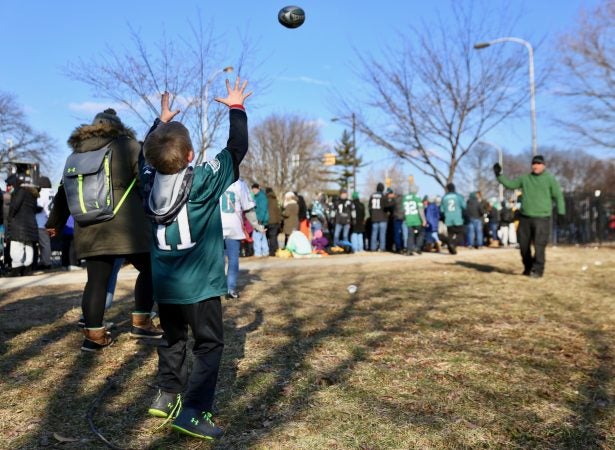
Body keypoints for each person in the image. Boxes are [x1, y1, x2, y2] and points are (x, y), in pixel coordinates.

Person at [140, 79, 251, 440]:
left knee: (173, 339)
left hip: (166, 285)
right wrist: (236, 107)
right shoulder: (202, 180)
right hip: (200, 285)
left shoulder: (146, 181)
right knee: (209, 345)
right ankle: (192, 410)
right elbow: (236, 149)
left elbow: (147, 157)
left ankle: (166, 392)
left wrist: (159, 125)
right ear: (190, 156)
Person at [47, 108, 162, 351]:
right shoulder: (128, 146)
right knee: (151, 268)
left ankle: (94, 337)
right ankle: (141, 322)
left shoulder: (75, 155)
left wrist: (54, 223)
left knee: (96, 281)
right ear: (117, 126)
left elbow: (62, 192)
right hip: (126, 227)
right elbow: (145, 182)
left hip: (89, 228)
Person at [494, 154, 565, 277]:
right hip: (525, 217)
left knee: (539, 245)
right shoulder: (525, 179)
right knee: (523, 245)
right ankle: (528, 267)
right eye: (534, 163)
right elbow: (510, 184)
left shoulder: (550, 179)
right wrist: (499, 175)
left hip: (542, 218)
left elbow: (558, 196)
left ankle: (538, 270)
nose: (536, 166)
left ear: (543, 165)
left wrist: (561, 212)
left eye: (538, 163)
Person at [221, 178, 263, 299]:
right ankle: (231, 289)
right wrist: (256, 225)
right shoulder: (239, 184)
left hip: (216, 227)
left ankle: (219, 288)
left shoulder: (215, 179)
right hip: (234, 227)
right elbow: (248, 208)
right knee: (233, 259)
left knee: (219, 260)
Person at [6, 174, 39, 276]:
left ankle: (16, 269)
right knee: (28, 245)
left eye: (9, 185)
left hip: (19, 225)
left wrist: (9, 218)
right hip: (31, 225)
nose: (8, 187)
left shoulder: (20, 192)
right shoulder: (31, 193)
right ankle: (27, 269)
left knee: (16, 246)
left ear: (14, 184)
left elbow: (15, 207)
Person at [35, 176, 54, 270]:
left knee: (44, 244)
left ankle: (46, 263)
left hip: (41, 222)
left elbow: (38, 207)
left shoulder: (42, 193)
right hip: (51, 222)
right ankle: (45, 261)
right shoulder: (53, 192)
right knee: (47, 243)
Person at [440, 183, 466, 254]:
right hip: (457, 218)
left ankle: (451, 249)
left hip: (448, 218)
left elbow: (441, 210)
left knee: (450, 234)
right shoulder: (458, 196)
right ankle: (453, 244)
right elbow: (464, 206)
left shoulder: (444, 198)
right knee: (461, 233)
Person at [402, 185, 426, 255]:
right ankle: (417, 247)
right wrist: (424, 220)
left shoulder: (405, 198)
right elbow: (420, 210)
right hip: (416, 219)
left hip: (408, 219)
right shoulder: (417, 197)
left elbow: (403, 209)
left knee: (410, 235)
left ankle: (409, 250)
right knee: (421, 233)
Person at [250, 183, 269, 257]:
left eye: (255, 189)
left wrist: (259, 220)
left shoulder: (261, 197)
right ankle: (265, 251)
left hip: (260, 220)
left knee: (256, 236)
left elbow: (263, 209)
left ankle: (258, 252)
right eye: (253, 189)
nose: (254, 190)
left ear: (258, 189)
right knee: (262, 236)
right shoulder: (256, 197)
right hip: (258, 219)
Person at [368, 182, 388, 251]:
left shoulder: (372, 196)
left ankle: (373, 248)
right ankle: (382, 248)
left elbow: (369, 207)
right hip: (382, 217)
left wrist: (372, 215)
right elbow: (386, 206)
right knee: (382, 234)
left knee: (374, 233)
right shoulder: (383, 196)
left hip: (374, 217)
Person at [265, 187, 282, 256]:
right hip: (275, 221)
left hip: (267, 221)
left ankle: (270, 251)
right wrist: (279, 221)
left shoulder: (265, 200)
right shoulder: (275, 200)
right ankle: (275, 250)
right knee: (274, 236)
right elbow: (278, 211)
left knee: (267, 237)